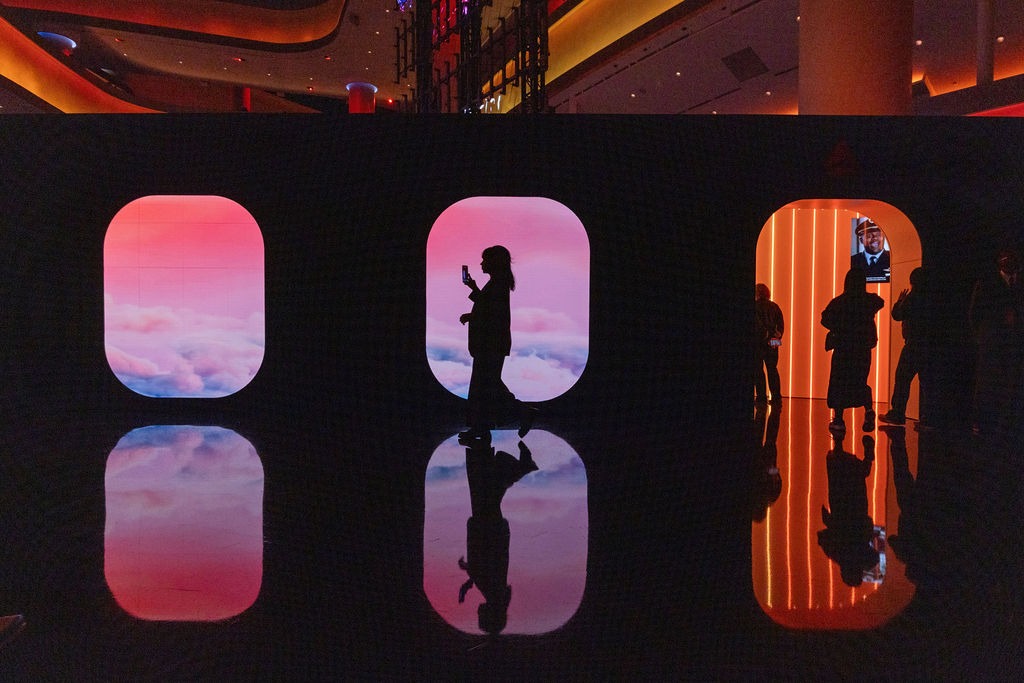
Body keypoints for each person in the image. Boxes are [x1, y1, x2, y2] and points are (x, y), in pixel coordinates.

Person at [460, 245, 535, 439]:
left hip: (490, 343)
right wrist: (474, 292)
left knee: (485, 385)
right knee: (488, 385)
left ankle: (521, 413)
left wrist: (472, 312)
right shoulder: (498, 283)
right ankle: (484, 426)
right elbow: (489, 309)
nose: (481, 263)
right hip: (492, 343)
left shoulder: (497, 283)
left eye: (485, 260)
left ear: (494, 262)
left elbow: (490, 313)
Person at [821, 268, 885, 432]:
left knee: (839, 382)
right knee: (860, 380)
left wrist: (838, 327)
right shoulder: (869, 301)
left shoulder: (839, 302)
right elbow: (880, 301)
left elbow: (825, 319)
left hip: (843, 348)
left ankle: (839, 419)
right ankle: (868, 410)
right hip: (862, 349)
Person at [968, 247, 1023, 436]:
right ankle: (981, 421)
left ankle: (1003, 423)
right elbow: (975, 312)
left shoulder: (1017, 284)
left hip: (1012, 342)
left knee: (1009, 382)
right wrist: (982, 336)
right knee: (987, 381)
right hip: (991, 341)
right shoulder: (988, 283)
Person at [880, 267, 933, 427]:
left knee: (902, 378)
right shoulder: (931, 297)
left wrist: (899, 302)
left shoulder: (914, 296)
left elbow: (897, 315)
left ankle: (897, 413)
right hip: (928, 345)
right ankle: (928, 417)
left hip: (913, 344)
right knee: (927, 382)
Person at [754, 283, 785, 405]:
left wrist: (765, 335)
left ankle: (761, 397)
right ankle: (777, 397)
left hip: (758, 342)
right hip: (773, 341)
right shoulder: (775, 306)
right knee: (773, 369)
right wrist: (776, 337)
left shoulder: (755, 306)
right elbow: (781, 326)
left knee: (758, 370)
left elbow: (757, 325)